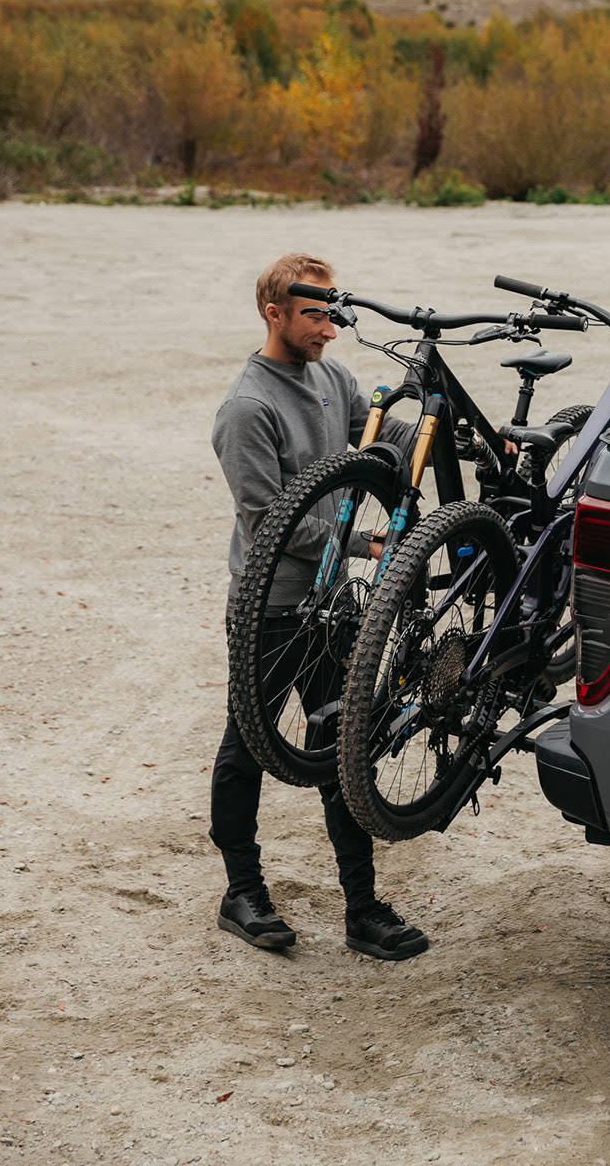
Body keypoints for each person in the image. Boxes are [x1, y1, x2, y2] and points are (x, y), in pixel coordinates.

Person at [210, 252, 427, 960]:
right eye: (315, 315)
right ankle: (242, 892)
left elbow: (378, 436)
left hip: (331, 610)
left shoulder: (332, 377)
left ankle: (363, 909)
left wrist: (444, 432)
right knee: (246, 749)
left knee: (343, 749)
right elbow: (266, 521)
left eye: (334, 311)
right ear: (273, 312)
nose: (331, 329)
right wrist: (365, 544)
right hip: (272, 612)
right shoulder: (249, 408)